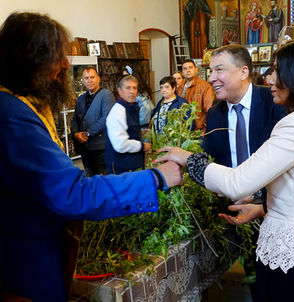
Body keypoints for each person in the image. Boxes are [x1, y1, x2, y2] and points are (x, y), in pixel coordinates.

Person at [156, 38, 294, 301]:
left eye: (276, 70)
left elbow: (237, 183)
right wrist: (265, 207)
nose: (270, 78)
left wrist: (189, 159)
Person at [0, 12, 182, 302]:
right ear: (30, 60)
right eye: (57, 57)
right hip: (25, 263)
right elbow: (72, 193)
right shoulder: (13, 117)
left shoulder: (19, 105)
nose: (64, 65)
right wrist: (156, 177)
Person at [202, 44, 286, 300]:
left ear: (243, 71)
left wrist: (259, 194)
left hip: (275, 209)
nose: (211, 77)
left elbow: (286, 162)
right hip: (237, 213)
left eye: (219, 69)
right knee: (254, 279)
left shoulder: (273, 102)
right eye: (209, 71)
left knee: (277, 281)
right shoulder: (215, 114)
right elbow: (214, 162)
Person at [71, 67, 115, 176]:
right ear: (82, 80)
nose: (89, 80)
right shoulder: (80, 99)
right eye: (86, 78)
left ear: (98, 79)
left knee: (105, 179)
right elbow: (75, 119)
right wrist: (75, 134)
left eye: (92, 77)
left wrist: (88, 133)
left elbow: (106, 118)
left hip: (101, 148)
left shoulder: (106, 95)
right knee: (90, 178)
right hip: (85, 148)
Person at [104, 75, 151, 174]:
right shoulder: (118, 111)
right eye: (128, 88)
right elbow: (120, 145)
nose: (132, 91)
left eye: (134, 88)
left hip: (133, 165)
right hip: (121, 168)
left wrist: (139, 132)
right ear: (119, 90)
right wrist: (142, 146)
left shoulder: (131, 107)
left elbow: (127, 130)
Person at [180, 59, 215, 131]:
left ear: (196, 70)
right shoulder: (180, 86)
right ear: (182, 72)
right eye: (185, 68)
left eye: (190, 67)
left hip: (197, 130)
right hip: (182, 129)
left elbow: (210, 111)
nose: (188, 70)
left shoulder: (205, 86)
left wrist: (205, 130)